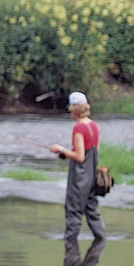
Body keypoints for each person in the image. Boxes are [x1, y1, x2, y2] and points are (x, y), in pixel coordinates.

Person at [50, 90, 106, 248]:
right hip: (91, 176)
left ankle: (70, 249)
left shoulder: (79, 128)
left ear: (73, 109)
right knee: (92, 212)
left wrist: (61, 149)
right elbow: (93, 151)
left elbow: (80, 156)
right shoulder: (94, 126)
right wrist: (66, 154)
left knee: (73, 213)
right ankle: (101, 244)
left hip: (79, 177)